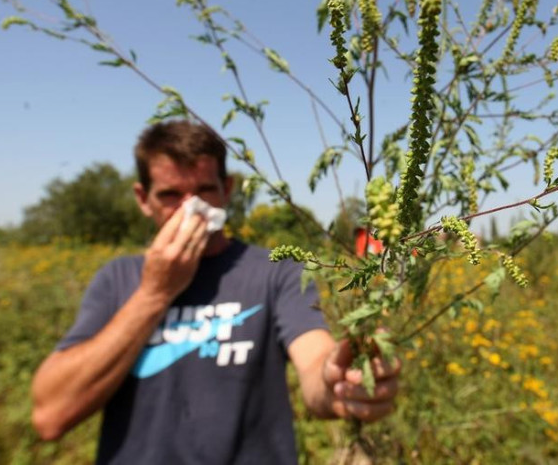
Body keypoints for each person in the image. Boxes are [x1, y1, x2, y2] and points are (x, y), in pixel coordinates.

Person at [31, 120, 399, 464]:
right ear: (143, 199)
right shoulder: (118, 279)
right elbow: (50, 415)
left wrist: (338, 382)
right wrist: (155, 293)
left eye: (205, 190)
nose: (191, 210)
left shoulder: (274, 272)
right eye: (171, 195)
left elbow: (316, 363)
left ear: (227, 190)